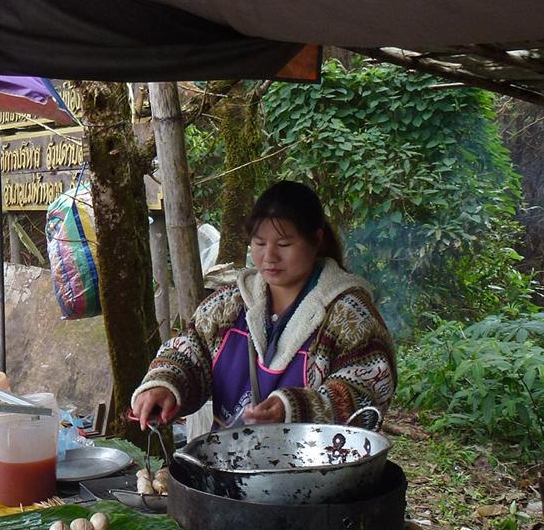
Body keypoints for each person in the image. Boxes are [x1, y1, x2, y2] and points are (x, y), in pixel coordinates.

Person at [132, 180, 396, 430]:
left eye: (284, 244)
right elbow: (190, 351)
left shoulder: (349, 315)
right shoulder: (228, 305)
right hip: (232, 465)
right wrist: (165, 384)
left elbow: (367, 390)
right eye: (259, 243)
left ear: (316, 239)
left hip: (318, 471)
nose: (269, 256)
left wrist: (293, 408)